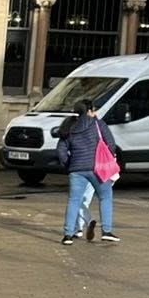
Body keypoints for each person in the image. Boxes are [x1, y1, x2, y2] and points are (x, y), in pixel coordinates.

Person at [55, 97, 120, 244]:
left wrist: (69, 164)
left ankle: (68, 235)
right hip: (97, 168)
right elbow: (111, 144)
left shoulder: (69, 127)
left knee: (74, 200)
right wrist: (107, 159)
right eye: (93, 110)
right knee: (105, 197)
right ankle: (106, 231)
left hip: (76, 170)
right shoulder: (98, 124)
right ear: (90, 111)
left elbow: (61, 151)